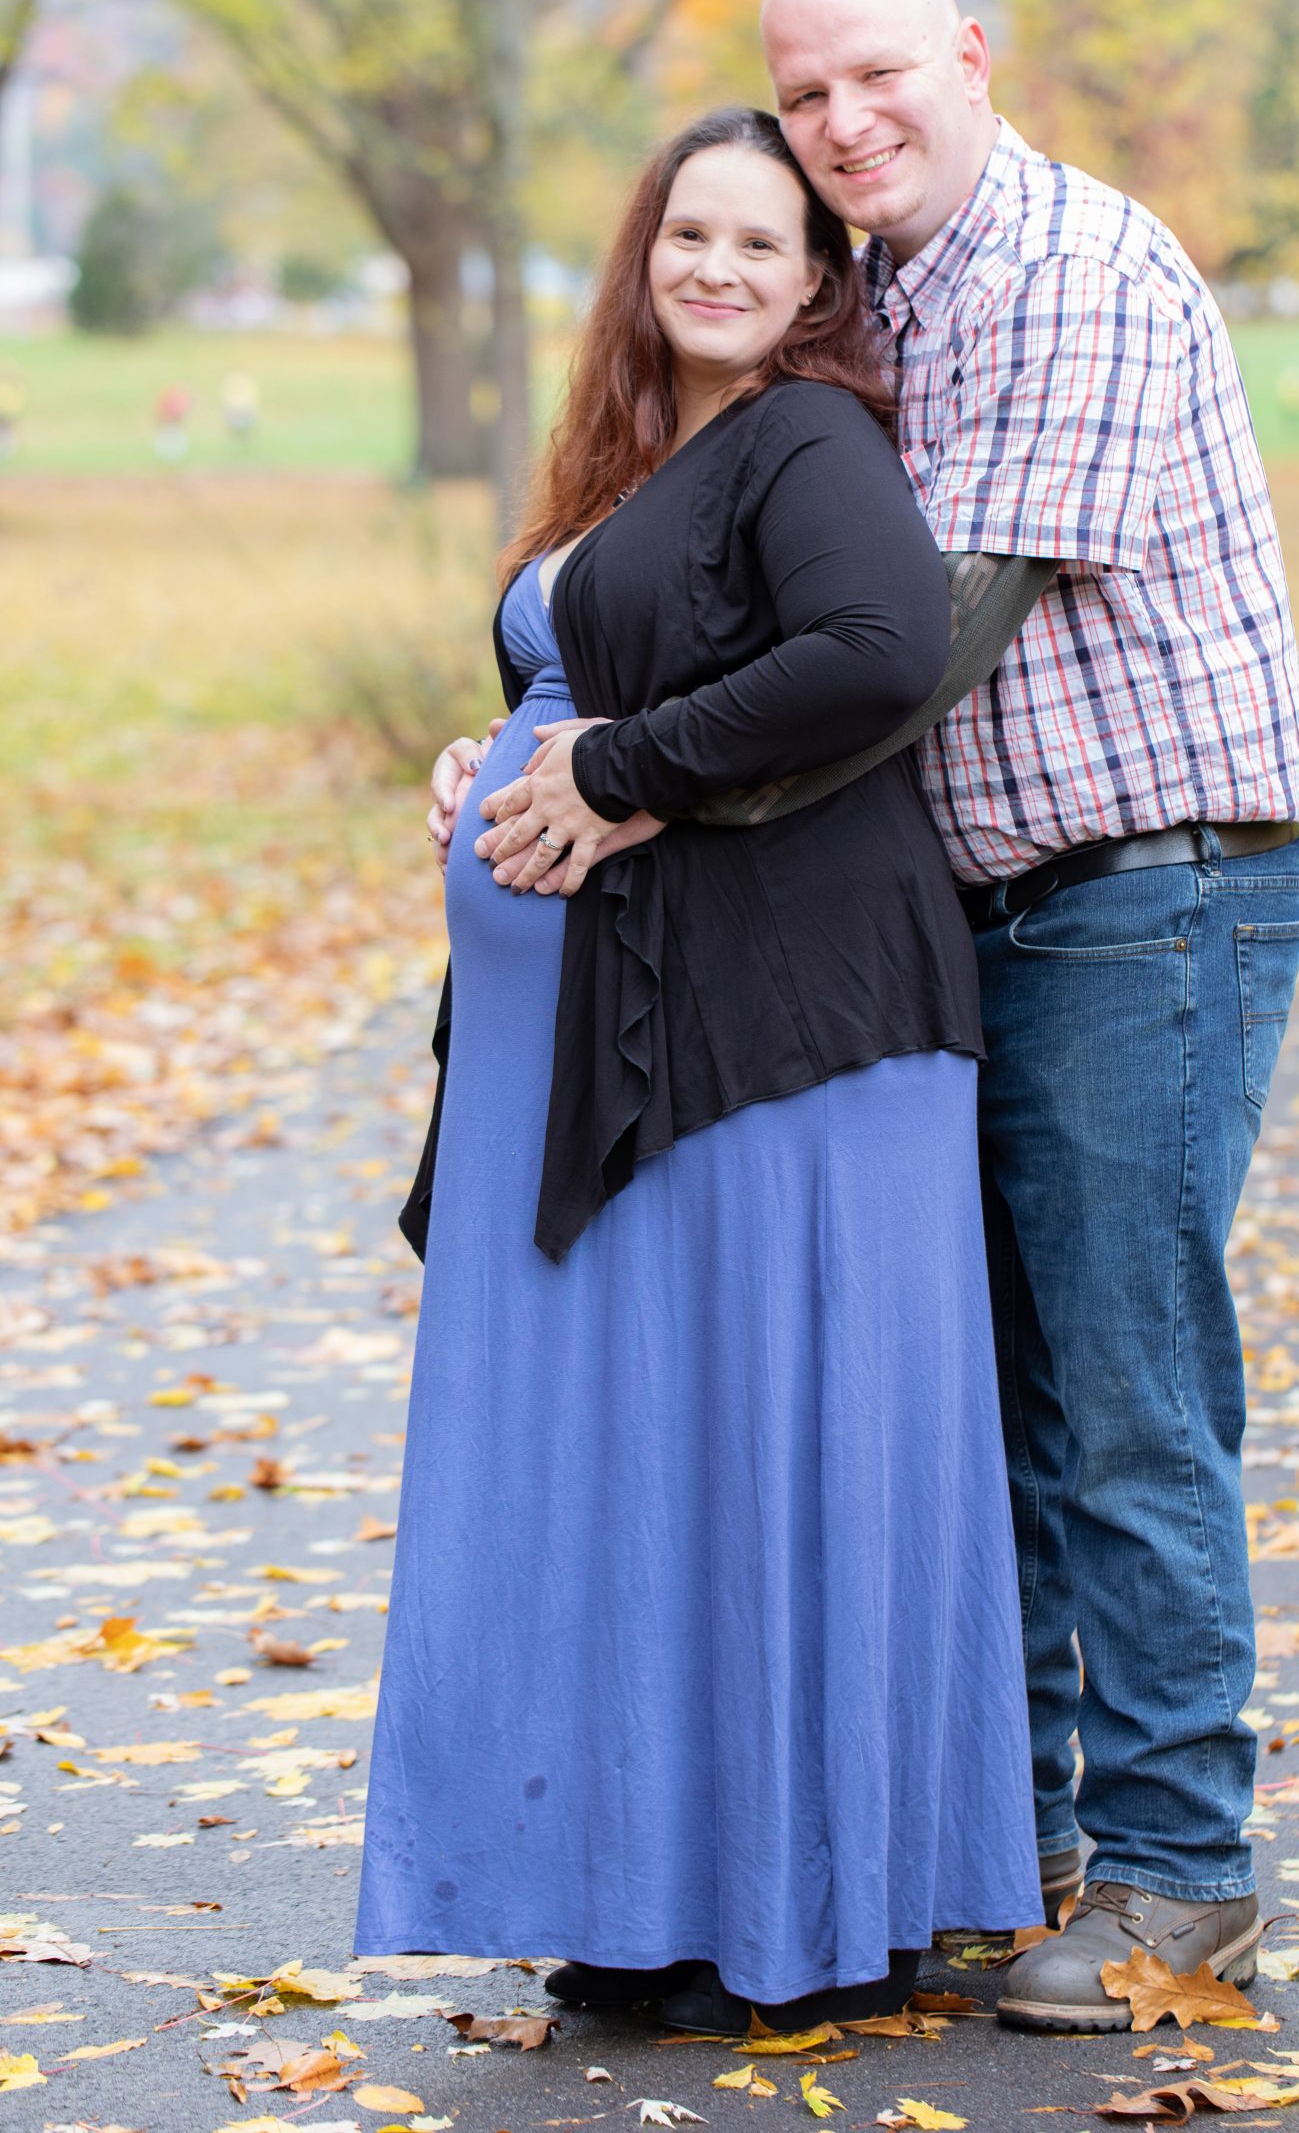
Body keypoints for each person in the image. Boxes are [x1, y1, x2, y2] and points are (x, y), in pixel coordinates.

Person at [361, 106, 1040, 2030]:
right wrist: (497, 752)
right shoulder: (632, 449)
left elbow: (878, 648)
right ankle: (646, 1894)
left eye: (762, 240)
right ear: (642, 254)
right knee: (644, 1467)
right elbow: (597, 676)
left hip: (777, 1021)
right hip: (591, 1024)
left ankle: (810, 1915)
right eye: (689, 233)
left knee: (762, 1452)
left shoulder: (807, 435)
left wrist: (611, 765)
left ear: (820, 279)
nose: (718, 267)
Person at [756, 0, 1299, 2031]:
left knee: (1125, 1395)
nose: (844, 123)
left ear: (971, 55)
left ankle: (1184, 1876)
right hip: (978, 906)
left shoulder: (1074, 269)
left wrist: (645, 788)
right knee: (998, 1401)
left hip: (1145, 895)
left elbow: (925, 632)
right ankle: (1035, 1836)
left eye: (879, 74)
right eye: (806, 95)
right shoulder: (875, 294)